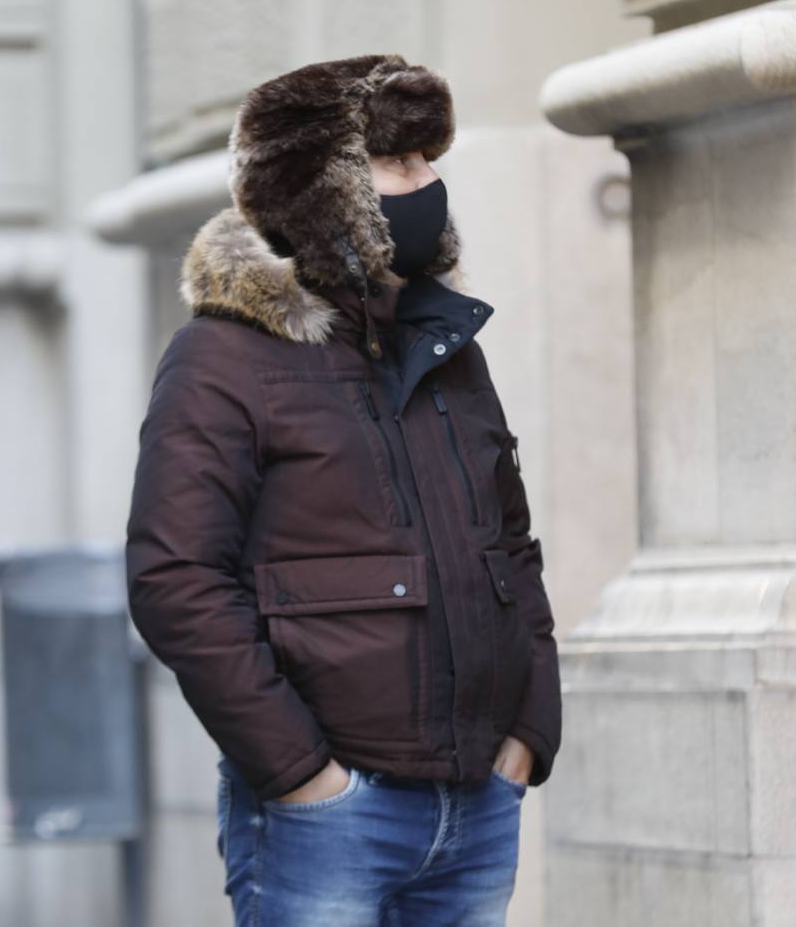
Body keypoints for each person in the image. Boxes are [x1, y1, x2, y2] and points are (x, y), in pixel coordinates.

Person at [125, 55, 560, 926]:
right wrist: (301, 776)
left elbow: (510, 546)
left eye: (431, 161)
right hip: (328, 815)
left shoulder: (445, 347)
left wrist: (528, 736)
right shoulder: (223, 358)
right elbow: (175, 579)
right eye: (399, 164)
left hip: (478, 803)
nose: (428, 183)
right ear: (326, 194)